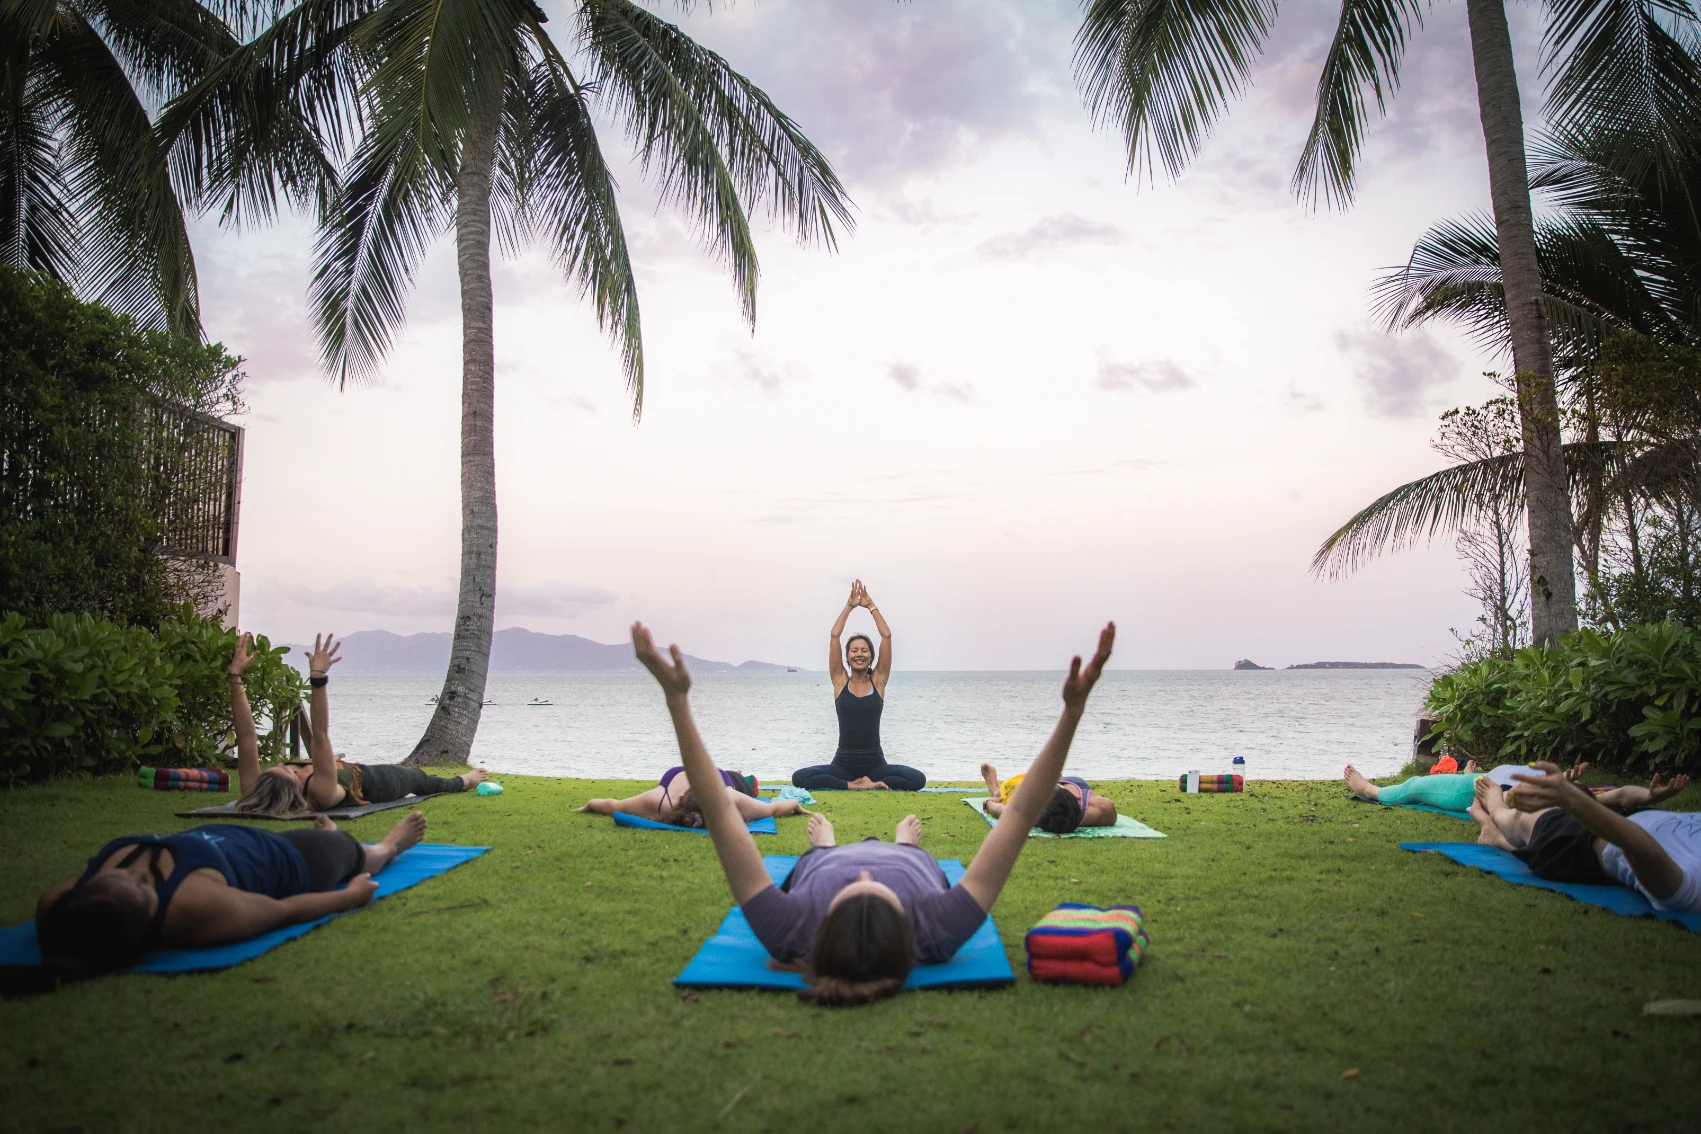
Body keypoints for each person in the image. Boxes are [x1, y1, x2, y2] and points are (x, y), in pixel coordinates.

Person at [636, 618, 1116, 1005]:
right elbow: (1017, 817)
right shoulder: (940, 929)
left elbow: (719, 814)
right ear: (907, 934)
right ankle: (902, 847)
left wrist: (676, 700)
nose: (865, 868)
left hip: (836, 831)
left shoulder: (788, 931)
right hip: (875, 809)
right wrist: (1071, 713)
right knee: (865, 812)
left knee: (847, 824)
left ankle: (826, 851)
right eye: (878, 889)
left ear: (821, 930)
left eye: (851, 889)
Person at [33, 810, 428, 976]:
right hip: (288, 860)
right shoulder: (198, 910)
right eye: (144, 889)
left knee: (333, 840)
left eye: (122, 877)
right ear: (153, 919)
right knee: (353, 852)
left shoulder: (60, 901)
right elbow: (282, 910)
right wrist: (349, 897)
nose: (137, 874)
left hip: (230, 841)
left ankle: (338, 842)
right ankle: (383, 848)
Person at [230, 633, 486, 818]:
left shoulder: (255, 787)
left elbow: (246, 737)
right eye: (287, 772)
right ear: (294, 788)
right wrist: (318, 678)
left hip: (343, 768)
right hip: (371, 782)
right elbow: (319, 735)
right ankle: (464, 781)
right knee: (419, 778)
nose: (280, 765)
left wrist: (235, 676)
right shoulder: (320, 793)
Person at [1471, 763, 1698, 911]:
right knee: (1575, 789)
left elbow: (1638, 847)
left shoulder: (1688, 891)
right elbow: (1620, 796)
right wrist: (1648, 797)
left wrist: (1570, 799)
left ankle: (1494, 812)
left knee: (1526, 814)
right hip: (1631, 816)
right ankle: (1500, 831)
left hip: (1582, 841)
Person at [791, 581, 925, 792]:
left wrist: (871, 605)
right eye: (854, 650)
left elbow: (887, 636)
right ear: (847, 656)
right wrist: (850, 606)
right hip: (843, 764)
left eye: (864, 650)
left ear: (871, 656)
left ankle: (867, 783)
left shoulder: (878, 681)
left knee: (917, 779)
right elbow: (835, 635)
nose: (859, 654)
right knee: (800, 777)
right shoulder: (840, 681)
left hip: (876, 764)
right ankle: (853, 785)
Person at [576, 766, 805, 827]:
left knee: (742, 782)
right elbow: (775, 807)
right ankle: (743, 778)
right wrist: (797, 806)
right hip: (683, 775)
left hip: (719, 777)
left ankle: (743, 777)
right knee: (744, 785)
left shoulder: (727, 798)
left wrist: (585, 807)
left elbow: (608, 805)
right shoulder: (660, 802)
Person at [979, 763, 1117, 833]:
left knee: (1005, 795)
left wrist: (988, 803)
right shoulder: (1104, 809)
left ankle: (994, 789)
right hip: (1074, 786)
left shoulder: (1031, 814)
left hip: (1022, 795)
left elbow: (1001, 810)